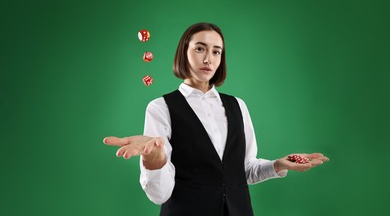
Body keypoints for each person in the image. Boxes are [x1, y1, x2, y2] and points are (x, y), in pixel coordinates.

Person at [103, 22, 329, 216]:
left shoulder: (238, 105)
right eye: (200, 48)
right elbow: (159, 194)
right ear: (184, 52)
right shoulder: (160, 108)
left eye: (216, 51)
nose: (208, 59)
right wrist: (155, 160)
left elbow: (244, 170)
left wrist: (278, 164)